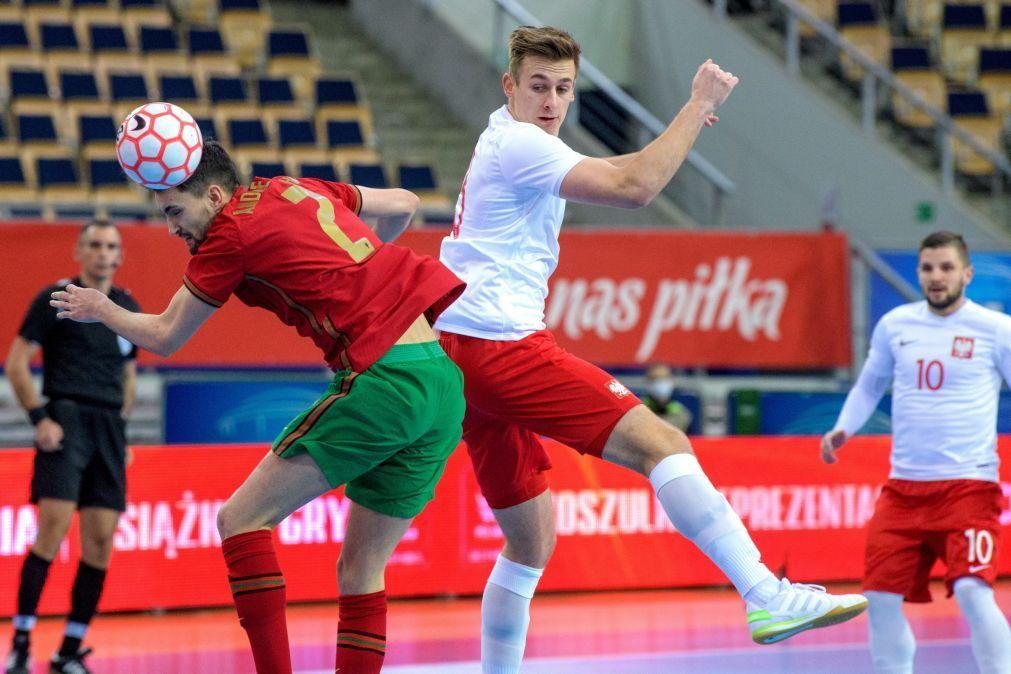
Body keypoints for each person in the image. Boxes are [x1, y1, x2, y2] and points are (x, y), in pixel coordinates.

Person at [436, 25, 867, 673]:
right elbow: (635, 186)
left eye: (562, 89)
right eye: (537, 86)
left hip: (465, 351)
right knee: (663, 445)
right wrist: (696, 106)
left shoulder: (517, 141)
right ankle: (764, 595)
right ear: (509, 86)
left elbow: (612, 171)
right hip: (497, 344)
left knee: (529, 544)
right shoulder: (519, 143)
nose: (551, 100)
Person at [50, 140, 467, 674]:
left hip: (387, 382)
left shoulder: (228, 233)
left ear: (216, 195)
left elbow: (165, 335)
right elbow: (405, 203)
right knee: (362, 569)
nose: (174, 228)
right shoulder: (291, 186)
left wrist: (102, 308)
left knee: (240, 520)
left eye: (176, 211)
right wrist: (360, 278)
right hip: (439, 380)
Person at [821, 231, 1011, 674]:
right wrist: (843, 428)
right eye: (928, 268)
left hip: (970, 486)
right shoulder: (896, 325)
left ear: (966, 274)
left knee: (970, 589)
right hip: (904, 491)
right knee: (880, 598)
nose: (936, 277)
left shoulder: (996, 330)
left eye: (946, 268)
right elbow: (870, 384)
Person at [5, 220, 140, 674]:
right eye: (96, 245)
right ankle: (21, 640)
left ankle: (69, 650)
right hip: (66, 421)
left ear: (120, 257)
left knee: (100, 544)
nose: (104, 253)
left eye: (111, 247)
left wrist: (121, 432)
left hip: (108, 429)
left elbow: (128, 374)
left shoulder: (126, 307)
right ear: (80, 253)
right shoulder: (54, 300)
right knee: (51, 533)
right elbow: (18, 363)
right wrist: (39, 418)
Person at [642, 363, 693, 432]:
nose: (660, 382)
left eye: (665, 378)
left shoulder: (683, 415)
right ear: (647, 382)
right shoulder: (639, 411)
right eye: (655, 378)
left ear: (672, 381)